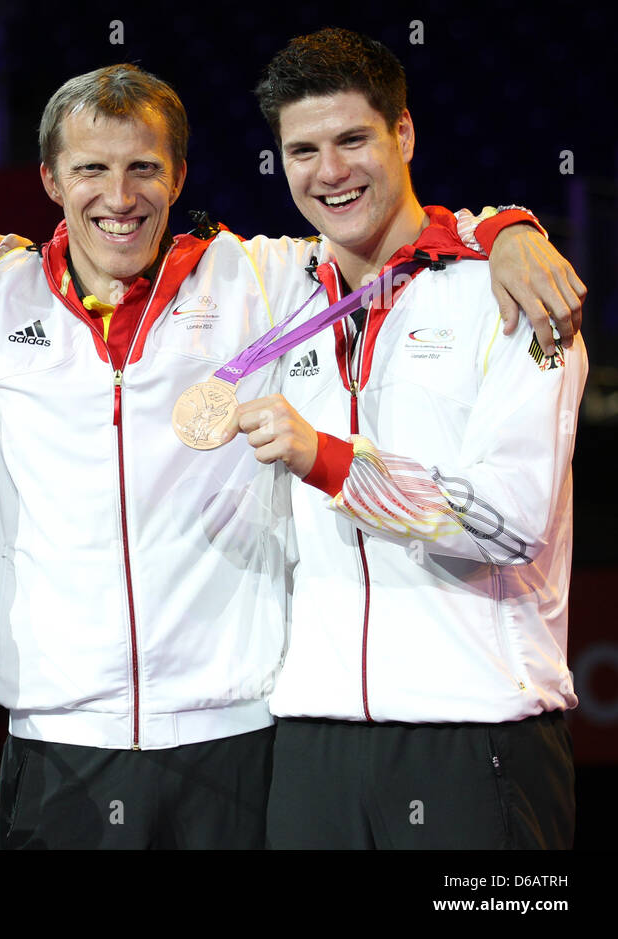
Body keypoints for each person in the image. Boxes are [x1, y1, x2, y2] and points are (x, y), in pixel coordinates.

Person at [0, 65, 580, 849]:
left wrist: (507, 228)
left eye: (143, 168)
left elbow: (396, 241)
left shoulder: (263, 280)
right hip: (56, 740)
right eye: (90, 168)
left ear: (179, 177)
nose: (118, 195)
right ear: (49, 179)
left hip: (235, 734)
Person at [231, 27, 584, 848]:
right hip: (313, 739)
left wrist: (324, 457)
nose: (330, 172)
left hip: (476, 730)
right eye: (302, 150)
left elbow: (506, 518)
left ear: (405, 133)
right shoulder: (281, 298)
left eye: (353, 139)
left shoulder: (514, 299)